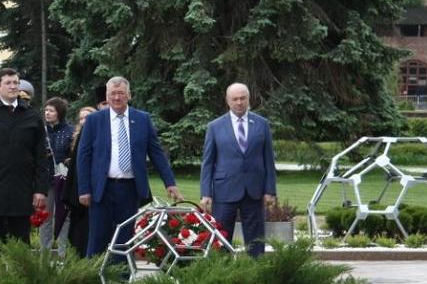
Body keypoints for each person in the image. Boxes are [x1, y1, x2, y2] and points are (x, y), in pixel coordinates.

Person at [77, 76, 181, 257]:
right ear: (107, 96)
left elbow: (156, 153)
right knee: (97, 238)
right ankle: (93, 280)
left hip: (130, 189)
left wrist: (169, 183)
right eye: (112, 94)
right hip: (102, 189)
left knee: (125, 239)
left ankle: (122, 280)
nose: (117, 98)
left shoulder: (142, 119)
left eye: (121, 93)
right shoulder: (94, 120)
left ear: (129, 95)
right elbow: (83, 156)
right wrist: (84, 188)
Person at [0, 67, 49, 263]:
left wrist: (40, 190)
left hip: (22, 191)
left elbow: (41, 156)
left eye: (16, 82)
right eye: (8, 83)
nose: (13, 86)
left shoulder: (31, 115)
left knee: (21, 247)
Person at [200, 82, 278, 257]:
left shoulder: (262, 124)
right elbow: (208, 162)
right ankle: (223, 275)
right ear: (228, 101)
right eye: (235, 99)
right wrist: (206, 193)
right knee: (221, 237)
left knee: (256, 240)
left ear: (249, 99)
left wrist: (270, 190)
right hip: (224, 190)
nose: (239, 102)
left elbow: (268, 160)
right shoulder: (215, 126)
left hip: (254, 191)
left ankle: (256, 274)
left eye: (243, 98)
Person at [39, 97, 74, 254]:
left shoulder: (70, 131)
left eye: (51, 110)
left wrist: (67, 161)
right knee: (45, 217)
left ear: (59, 112)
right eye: (46, 110)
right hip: (45, 180)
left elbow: (73, 154)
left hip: (64, 180)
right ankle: (44, 254)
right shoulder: (40, 131)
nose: (47, 113)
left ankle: (62, 253)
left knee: (64, 216)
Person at [61, 106, 97, 256]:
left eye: (87, 118)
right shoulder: (77, 137)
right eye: (81, 118)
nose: (84, 121)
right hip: (78, 189)